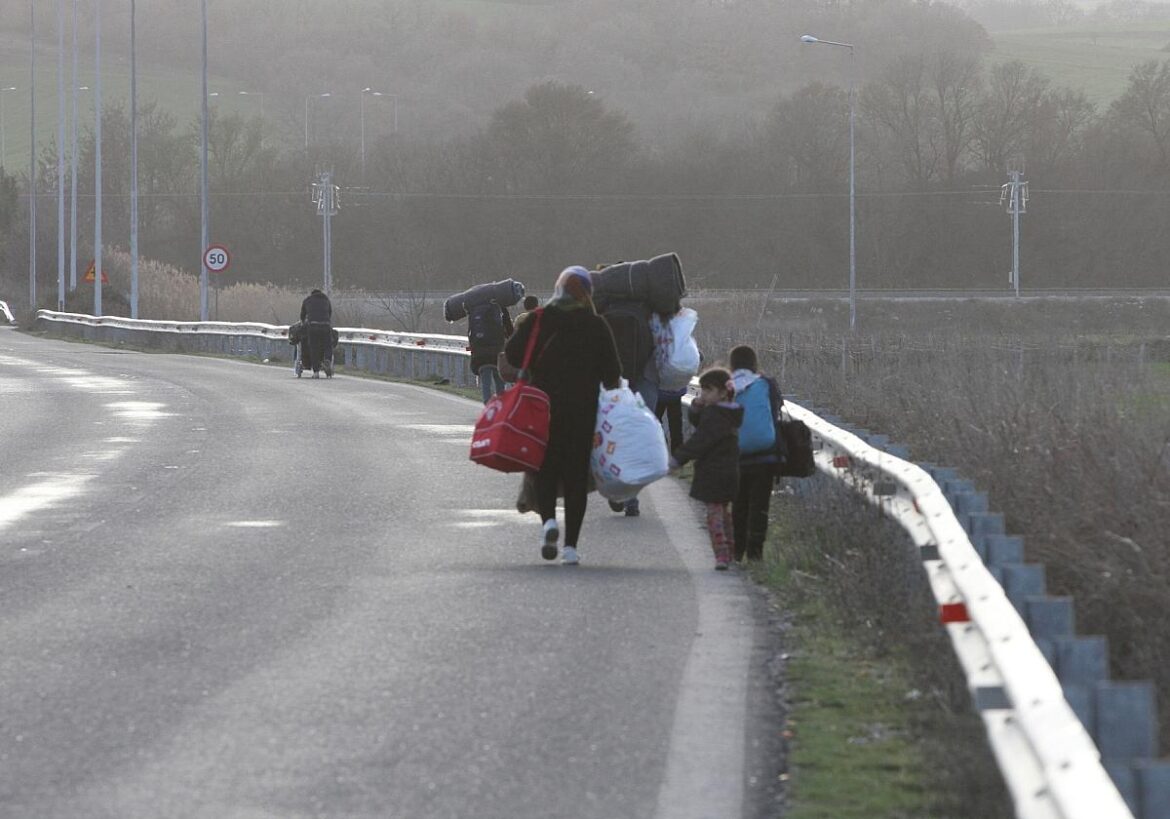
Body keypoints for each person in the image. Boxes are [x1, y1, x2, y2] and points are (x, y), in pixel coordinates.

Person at [504, 266, 621, 565]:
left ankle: (548, 524)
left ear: (558, 288)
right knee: (575, 477)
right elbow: (612, 375)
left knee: (544, 469)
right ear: (587, 293)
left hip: (541, 410)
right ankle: (570, 548)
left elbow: (513, 354)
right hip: (582, 412)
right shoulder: (596, 325)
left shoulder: (538, 319)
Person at [669, 368, 743, 570]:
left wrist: (677, 459)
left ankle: (721, 554)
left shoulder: (714, 415)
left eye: (708, 391)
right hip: (731, 471)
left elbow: (701, 439)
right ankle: (731, 551)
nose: (704, 394)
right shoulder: (731, 413)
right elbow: (701, 424)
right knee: (724, 513)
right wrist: (698, 406)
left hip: (713, 472)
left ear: (722, 392)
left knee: (714, 515)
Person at [598, 282, 656, 517]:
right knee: (636, 441)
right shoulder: (648, 311)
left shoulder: (602, 310)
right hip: (643, 382)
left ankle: (615, 489)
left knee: (611, 439)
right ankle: (631, 497)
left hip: (611, 385)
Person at [729, 344, 783, 562]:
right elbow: (776, 410)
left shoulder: (728, 386)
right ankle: (755, 553)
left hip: (737, 456)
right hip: (765, 455)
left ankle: (737, 550)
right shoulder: (766, 384)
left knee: (739, 504)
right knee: (760, 505)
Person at [468, 299, 514, 403]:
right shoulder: (499, 307)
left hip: (480, 354)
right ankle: (501, 405)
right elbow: (510, 331)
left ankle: (488, 406)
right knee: (500, 381)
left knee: (486, 382)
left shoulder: (475, 308)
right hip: (497, 353)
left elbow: (471, 332)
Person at [299, 288, 334, 379]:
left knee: (314, 348)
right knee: (328, 345)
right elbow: (329, 313)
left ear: (312, 294)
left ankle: (316, 372)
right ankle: (327, 359)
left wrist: (303, 322)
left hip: (313, 326)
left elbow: (302, 315)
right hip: (325, 325)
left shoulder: (308, 300)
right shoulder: (326, 300)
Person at [655, 386, 685, 455]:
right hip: (675, 392)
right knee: (676, 426)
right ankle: (678, 456)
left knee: (655, 423)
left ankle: (662, 447)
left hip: (659, 392)